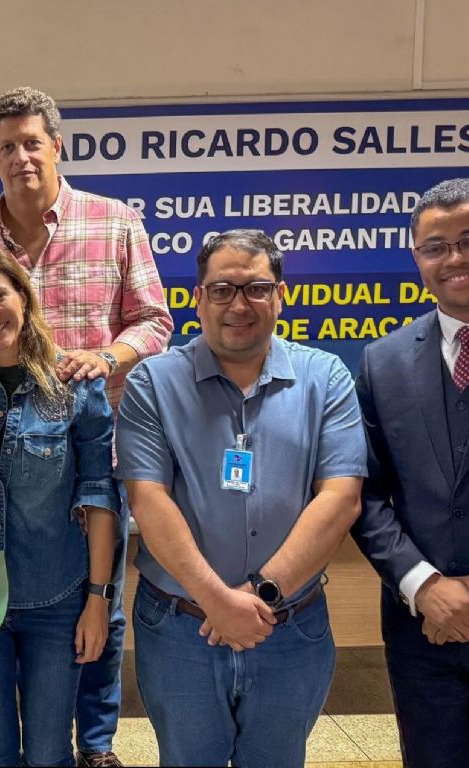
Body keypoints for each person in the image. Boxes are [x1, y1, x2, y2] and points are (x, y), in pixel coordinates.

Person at [0, 86, 173, 767]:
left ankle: (96, 744)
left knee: (96, 606)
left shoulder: (115, 222)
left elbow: (155, 321)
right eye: (6, 147)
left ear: (56, 145)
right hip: (6, 453)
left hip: (95, 444)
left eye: (31, 142)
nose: (20, 156)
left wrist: (105, 359)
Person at [115, 229, 367, 767]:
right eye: (222, 289)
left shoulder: (326, 378)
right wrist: (217, 601)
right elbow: (147, 499)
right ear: (198, 298)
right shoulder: (153, 383)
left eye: (256, 288)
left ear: (280, 295)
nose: (239, 305)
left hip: (290, 629)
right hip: (180, 629)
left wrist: (260, 594)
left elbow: (341, 497)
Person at [0, 245, 119, 767]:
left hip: (56, 597)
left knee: (47, 753)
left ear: (23, 295)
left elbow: (100, 496)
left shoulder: (74, 387)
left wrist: (98, 601)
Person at [354, 178, 469, 768]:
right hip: (422, 631)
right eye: (435, 247)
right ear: (416, 256)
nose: (454, 259)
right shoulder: (384, 360)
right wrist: (422, 584)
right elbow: (364, 492)